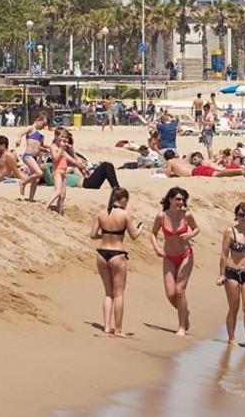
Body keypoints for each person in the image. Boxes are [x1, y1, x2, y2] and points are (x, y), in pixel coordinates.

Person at [92, 187, 144, 337]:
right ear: (123, 199)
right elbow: (134, 235)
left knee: (108, 293)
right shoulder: (124, 214)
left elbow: (92, 235)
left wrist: (106, 235)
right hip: (117, 253)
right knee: (119, 294)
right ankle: (119, 329)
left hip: (102, 253)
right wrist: (140, 228)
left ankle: (107, 327)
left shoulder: (101, 213)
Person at [150, 187, 199, 336]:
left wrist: (190, 235)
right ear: (170, 199)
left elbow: (196, 228)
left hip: (185, 255)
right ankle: (185, 313)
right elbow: (152, 233)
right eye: (178, 199)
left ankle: (182, 326)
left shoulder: (187, 215)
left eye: (183, 200)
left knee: (180, 291)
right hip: (169, 257)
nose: (181, 202)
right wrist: (156, 247)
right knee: (170, 293)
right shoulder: (161, 216)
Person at [217, 202, 245, 350]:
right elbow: (224, 254)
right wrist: (221, 274)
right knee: (234, 307)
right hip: (232, 272)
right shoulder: (230, 231)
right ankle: (232, 338)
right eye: (242, 215)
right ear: (236, 216)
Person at [47, 129, 84, 214]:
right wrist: (61, 148)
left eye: (65, 137)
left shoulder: (62, 149)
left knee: (63, 195)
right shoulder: (53, 146)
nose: (64, 139)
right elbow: (55, 158)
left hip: (63, 172)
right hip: (57, 171)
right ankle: (46, 206)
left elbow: (70, 159)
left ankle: (60, 212)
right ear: (56, 137)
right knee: (58, 191)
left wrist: (77, 162)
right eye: (62, 137)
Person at [16, 112, 49, 201]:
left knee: (36, 179)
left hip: (34, 157)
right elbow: (20, 133)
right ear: (38, 120)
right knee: (39, 173)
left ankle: (31, 198)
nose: (43, 127)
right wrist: (18, 140)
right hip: (28, 156)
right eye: (43, 124)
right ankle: (23, 182)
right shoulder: (31, 128)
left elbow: (39, 146)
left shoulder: (40, 135)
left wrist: (45, 149)